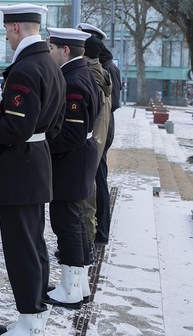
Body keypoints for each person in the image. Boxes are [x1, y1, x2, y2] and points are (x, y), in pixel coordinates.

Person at [0, 4, 65, 336]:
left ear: (17, 28)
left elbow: (16, 128)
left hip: (19, 167)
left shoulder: (25, 68)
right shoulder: (50, 63)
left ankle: (29, 320)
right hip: (35, 162)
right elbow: (54, 123)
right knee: (33, 243)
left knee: (22, 247)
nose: (6, 36)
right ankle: (35, 314)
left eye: (7, 30)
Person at [45, 28, 101, 309]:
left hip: (72, 159)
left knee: (66, 222)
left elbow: (72, 134)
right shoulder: (82, 73)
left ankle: (70, 289)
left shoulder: (75, 80)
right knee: (75, 221)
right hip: (78, 158)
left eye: (52, 47)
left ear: (64, 50)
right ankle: (79, 284)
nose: (49, 51)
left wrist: (42, 145)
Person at [77, 23, 121, 245]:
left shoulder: (105, 68)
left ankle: (98, 232)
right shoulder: (104, 65)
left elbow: (111, 104)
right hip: (102, 129)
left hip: (101, 130)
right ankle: (97, 231)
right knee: (96, 178)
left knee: (97, 179)